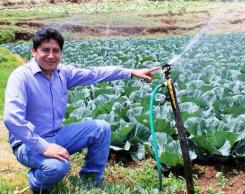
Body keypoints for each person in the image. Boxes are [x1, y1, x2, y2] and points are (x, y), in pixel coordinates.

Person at [3, 27, 159, 193]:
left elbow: (95, 73)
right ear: (34, 51)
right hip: (28, 144)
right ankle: (36, 183)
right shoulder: (21, 76)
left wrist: (131, 72)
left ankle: (89, 180)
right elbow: (12, 118)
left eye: (56, 51)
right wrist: (44, 147)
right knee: (57, 167)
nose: (51, 55)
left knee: (101, 128)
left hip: (56, 135)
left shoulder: (63, 73)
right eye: (45, 50)